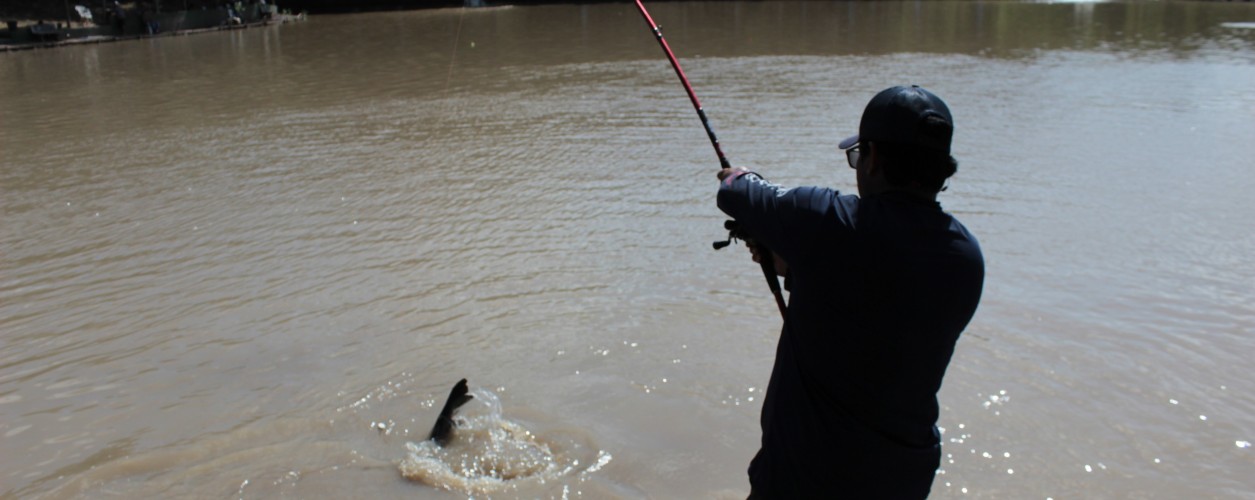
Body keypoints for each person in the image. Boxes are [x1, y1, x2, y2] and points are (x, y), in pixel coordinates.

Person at [716, 85, 985, 499]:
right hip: (901, 479)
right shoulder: (965, 256)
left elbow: (735, 190)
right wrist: (793, 263)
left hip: (806, 478)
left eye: (858, 156)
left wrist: (743, 179)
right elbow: (876, 294)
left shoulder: (829, 221)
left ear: (874, 157)